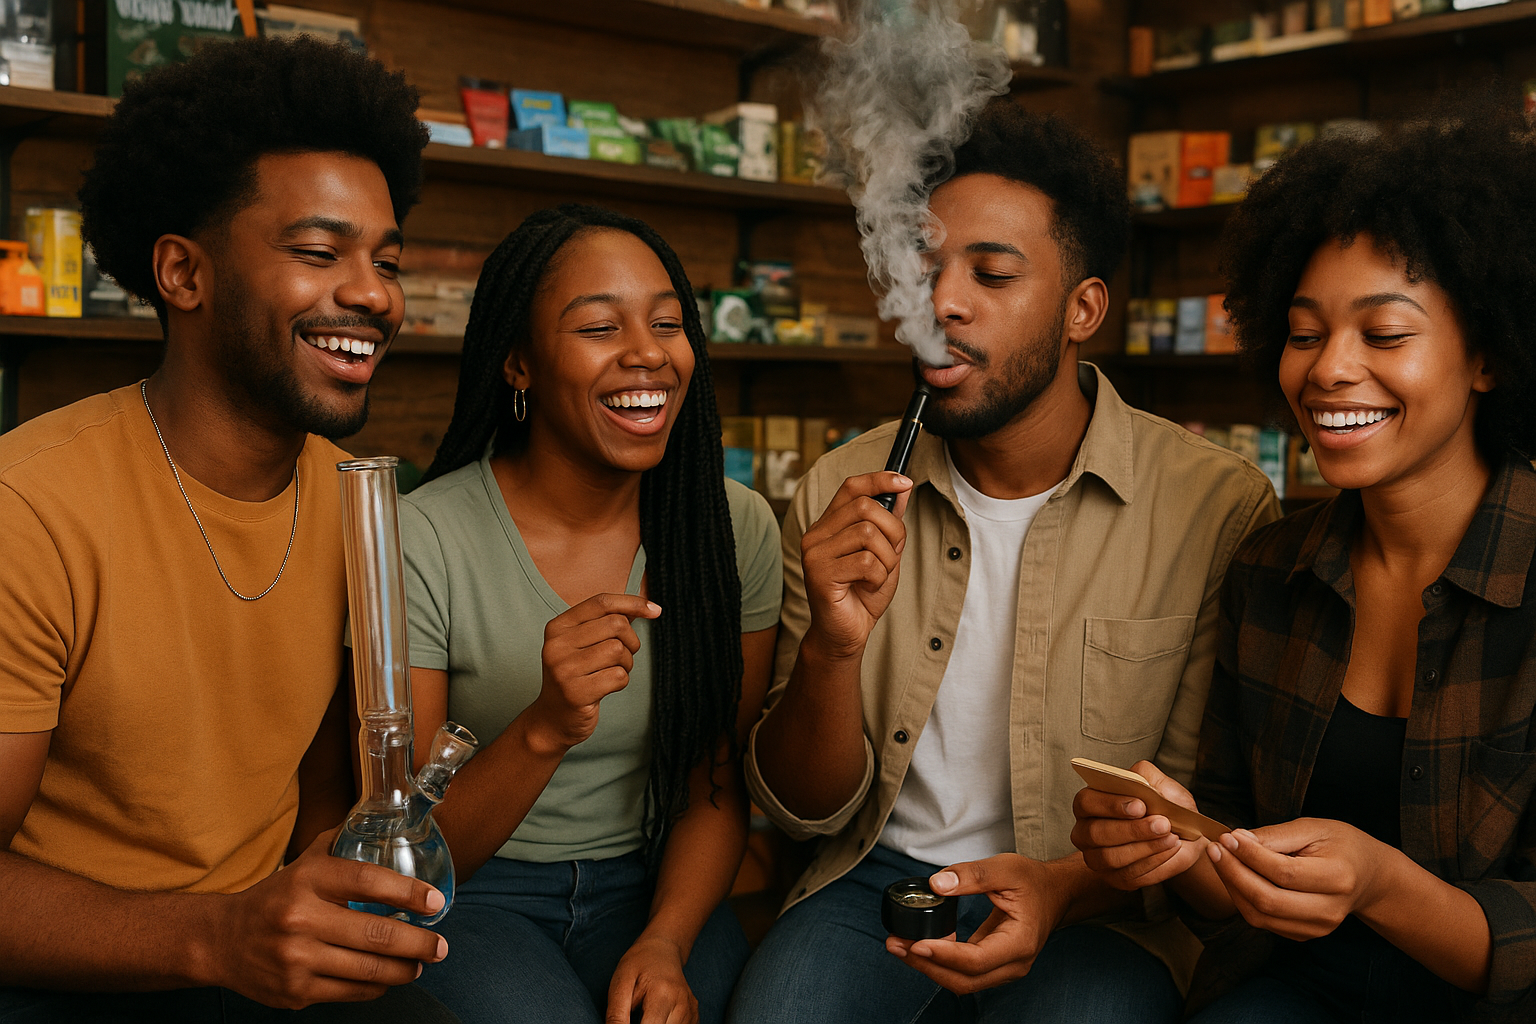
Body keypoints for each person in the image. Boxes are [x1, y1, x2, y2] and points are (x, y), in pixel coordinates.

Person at [728, 100, 1281, 1024]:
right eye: (926, 269)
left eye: (991, 273)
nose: (941, 303)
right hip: (880, 884)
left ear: (1083, 309)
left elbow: (1191, 823)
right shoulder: (841, 486)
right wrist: (832, 647)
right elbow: (800, 812)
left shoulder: (1215, 508)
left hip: (1101, 909)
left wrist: (1062, 890)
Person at [0, 37, 457, 1021]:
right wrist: (218, 936)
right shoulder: (27, 510)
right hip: (68, 970)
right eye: (318, 251)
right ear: (183, 273)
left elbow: (334, 794)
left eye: (385, 260)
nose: (374, 294)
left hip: (259, 953)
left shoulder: (361, 504)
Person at [1070, 99, 1536, 1022]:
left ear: (1485, 354)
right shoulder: (1270, 573)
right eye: (1305, 331)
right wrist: (1182, 847)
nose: (1328, 370)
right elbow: (1234, 896)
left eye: (1385, 334)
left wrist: (1379, 885)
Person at [397, 204, 781, 1024]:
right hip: (473, 891)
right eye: (600, 326)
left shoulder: (731, 526)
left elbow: (714, 778)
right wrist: (546, 724)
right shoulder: (423, 535)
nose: (647, 353)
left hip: (656, 881)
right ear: (519, 364)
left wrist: (666, 942)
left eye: (669, 323)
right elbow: (408, 849)